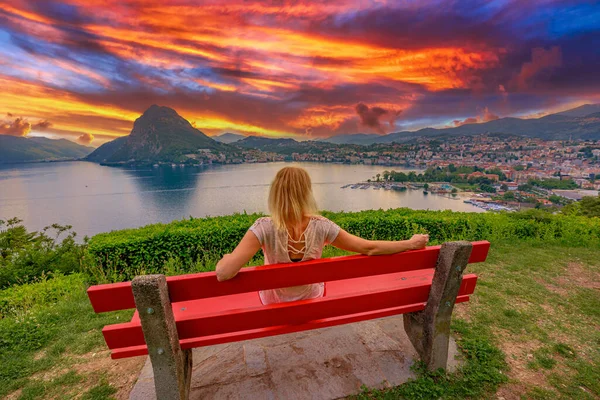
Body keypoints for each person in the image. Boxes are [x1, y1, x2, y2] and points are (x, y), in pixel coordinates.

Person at [215, 167, 429, 304]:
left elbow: (224, 273)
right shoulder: (322, 226)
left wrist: (226, 260)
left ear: (275, 193)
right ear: (306, 192)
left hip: (273, 302)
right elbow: (369, 248)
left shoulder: (263, 228)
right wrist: (410, 243)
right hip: (312, 297)